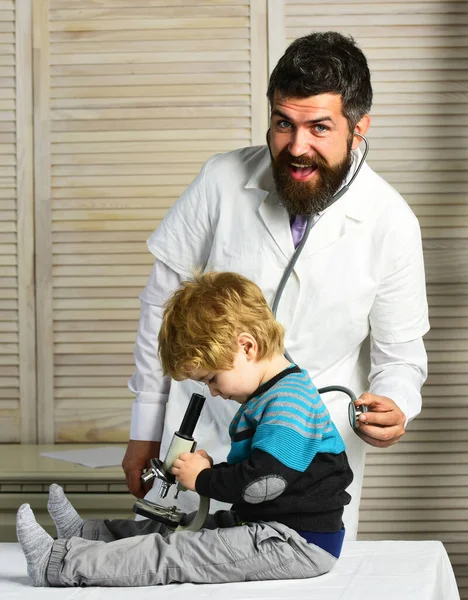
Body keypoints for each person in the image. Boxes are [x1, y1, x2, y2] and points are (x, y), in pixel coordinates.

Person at [123, 31, 429, 540]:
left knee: (290, 574)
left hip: (306, 450)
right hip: (199, 430)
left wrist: (397, 403)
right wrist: (143, 430)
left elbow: (400, 356)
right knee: (162, 566)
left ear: (359, 129)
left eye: (319, 128)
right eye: (283, 123)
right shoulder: (221, 180)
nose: (297, 146)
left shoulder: (391, 221)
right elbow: (160, 307)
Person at [16, 272, 353, 587]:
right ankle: (89, 534)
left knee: (175, 552)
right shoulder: (275, 395)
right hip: (270, 525)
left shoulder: (288, 402)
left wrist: (204, 478)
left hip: (295, 542)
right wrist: (211, 471)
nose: (213, 391)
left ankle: (57, 563)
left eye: (211, 378)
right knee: (178, 525)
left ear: (246, 346)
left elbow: (262, 484)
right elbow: (269, 473)